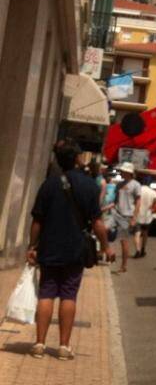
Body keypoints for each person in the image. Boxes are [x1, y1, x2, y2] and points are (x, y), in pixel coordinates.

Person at [27, 139, 115, 360]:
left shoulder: (48, 185)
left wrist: (32, 246)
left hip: (49, 247)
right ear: (77, 159)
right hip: (75, 249)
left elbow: (37, 220)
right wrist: (106, 247)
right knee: (69, 295)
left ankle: (39, 343)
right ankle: (64, 347)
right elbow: (97, 223)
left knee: (46, 293)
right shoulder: (89, 186)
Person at [112, 162, 141, 273]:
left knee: (124, 241)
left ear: (129, 173)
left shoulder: (136, 185)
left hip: (127, 216)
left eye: (123, 171)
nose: (122, 173)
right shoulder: (119, 184)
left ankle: (124, 265)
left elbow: (138, 202)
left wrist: (134, 218)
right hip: (116, 214)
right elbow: (115, 201)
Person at [133, 176, 156, 258]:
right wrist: (153, 207)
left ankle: (137, 250)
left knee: (137, 233)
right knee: (145, 233)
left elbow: (134, 200)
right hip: (147, 216)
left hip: (138, 214)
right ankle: (143, 249)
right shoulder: (152, 191)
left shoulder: (138, 190)